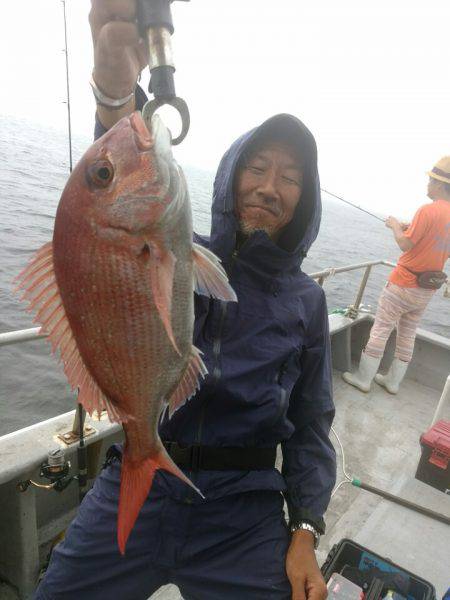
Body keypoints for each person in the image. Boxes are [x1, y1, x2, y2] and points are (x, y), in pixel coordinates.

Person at [35, 2, 336, 598]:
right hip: (142, 471)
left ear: (304, 200)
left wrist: (304, 528)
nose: (269, 187)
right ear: (230, 175)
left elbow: (310, 424)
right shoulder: (179, 250)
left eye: (290, 178)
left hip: (244, 510)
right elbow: (116, 220)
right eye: (257, 167)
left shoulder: (307, 302)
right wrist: (117, 95)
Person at [343, 157, 450, 394]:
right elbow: (436, 242)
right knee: (408, 333)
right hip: (426, 289)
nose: (428, 184)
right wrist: (408, 226)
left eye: (431, 180)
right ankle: (392, 382)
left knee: (381, 328)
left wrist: (394, 226)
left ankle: (364, 378)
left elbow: (405, 245)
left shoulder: (427, 210)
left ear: (441, 184)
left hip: (404, 283)